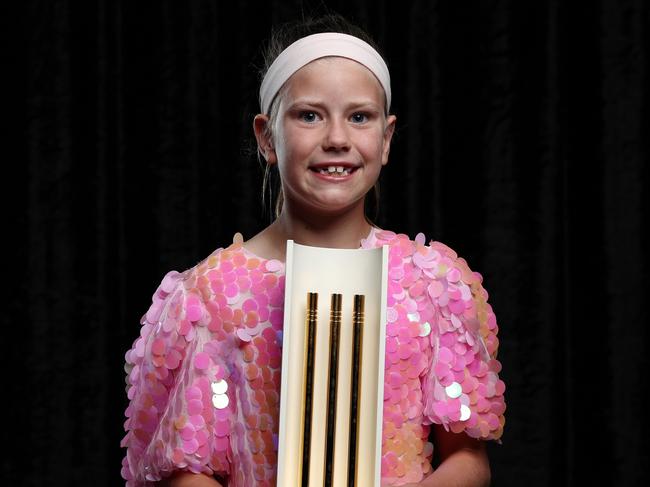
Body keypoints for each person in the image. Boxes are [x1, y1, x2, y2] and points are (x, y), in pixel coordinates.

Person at [121, 14, 505, 487]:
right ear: (267, 137)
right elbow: (186, 471)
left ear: (385, 139)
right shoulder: (209, 295)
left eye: (359, 117)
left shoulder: (434, 283)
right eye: (309, 115)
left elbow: (468, 460)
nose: (337, 139)